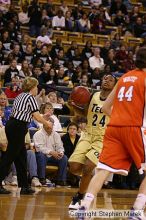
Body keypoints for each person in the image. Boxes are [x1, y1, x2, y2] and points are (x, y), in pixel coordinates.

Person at [78, 47, 146, 218]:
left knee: (103, 170)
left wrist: (120, 117)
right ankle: (137, 210)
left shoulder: (123, 77)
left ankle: (85, 205)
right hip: (135, 128)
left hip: (114, 128)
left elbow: (106, 107)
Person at [68, 74, 116, 209]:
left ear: (115, 85)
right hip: (87, 135)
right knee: (74, 167)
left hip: (102, 139)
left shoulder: (116, 100)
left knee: (88, 167)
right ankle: (87, 182)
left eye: (110, 80)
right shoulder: (93, 96)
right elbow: (84, 113)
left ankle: (80, 196)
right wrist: (73, 106)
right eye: (105, 78)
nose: (107, 81)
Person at [0, 77, 52, 195]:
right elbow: (36, 117)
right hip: (18, 127)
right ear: (32, 87)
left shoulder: (20, 96)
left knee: (21, 157)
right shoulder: (30, 97)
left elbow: (31, 115)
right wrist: (47, 123)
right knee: (10, 156)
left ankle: (24, 186)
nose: (37, 89)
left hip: (14, 125)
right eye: (36, 87)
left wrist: (44, 118)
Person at [34, 117, 68, 186]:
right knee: (41, 156)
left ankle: (61, 180)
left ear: (53, 125)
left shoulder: (56, 135)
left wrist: (60, 153)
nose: (49, 127)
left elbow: (60, 147)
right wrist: (51, 152)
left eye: (50, 125)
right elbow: (39, 148)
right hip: (41, 156)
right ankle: (42, 178)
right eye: (47, 125)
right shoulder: (38, 134)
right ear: (43, 125)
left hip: (53, 156)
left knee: (64, 158)